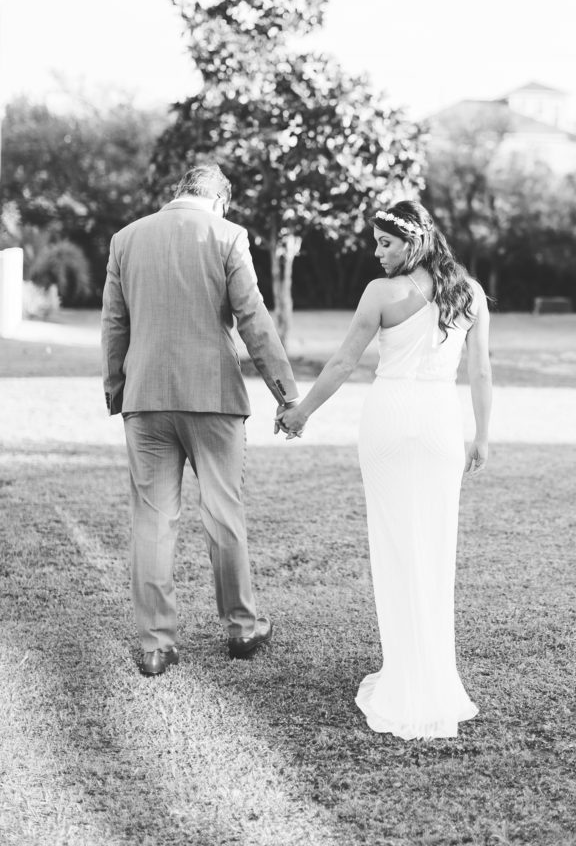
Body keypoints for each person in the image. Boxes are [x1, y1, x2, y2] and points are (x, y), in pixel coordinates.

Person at [278, 200, 492, 740]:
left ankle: (406, 676)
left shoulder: (381, 293)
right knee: (435, 548)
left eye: (386, 243)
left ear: (413, 241)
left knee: (396, 548)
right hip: (440, 423)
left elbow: (344, 361)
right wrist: (482, 435)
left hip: (390, 419)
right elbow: (481, 371)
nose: (377, 253)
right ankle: (430, 675)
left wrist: (302, 412)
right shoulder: (469, 293)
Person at [101, 162, 299, 676]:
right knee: (222, 512)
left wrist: (117, 389)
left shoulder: (126, 239)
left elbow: (115, 322)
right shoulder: (228, 235)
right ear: (220, 200)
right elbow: (253, 319)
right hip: (213, 397)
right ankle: (242, 629)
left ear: (180, 192)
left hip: (146, 398)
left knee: (152, 519)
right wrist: (285, 392)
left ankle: (156, 644)